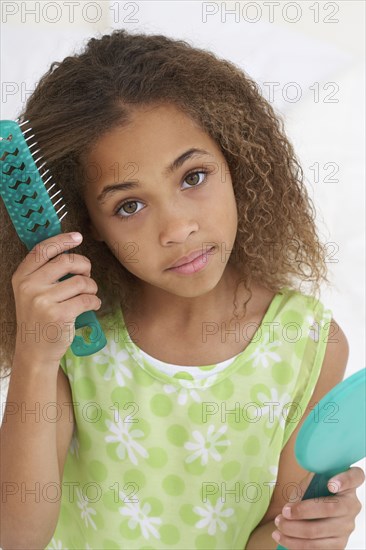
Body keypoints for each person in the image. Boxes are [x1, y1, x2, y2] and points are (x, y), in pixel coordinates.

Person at [0, 29, 364, 550]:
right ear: (89, 222)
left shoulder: (309, 345)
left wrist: (310, 535)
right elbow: (15, 537)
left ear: (237, 161)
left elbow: (267, 535)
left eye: (193, 177)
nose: (175, 229)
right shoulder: (73, 341)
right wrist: (34, 358)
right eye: (129, 205)